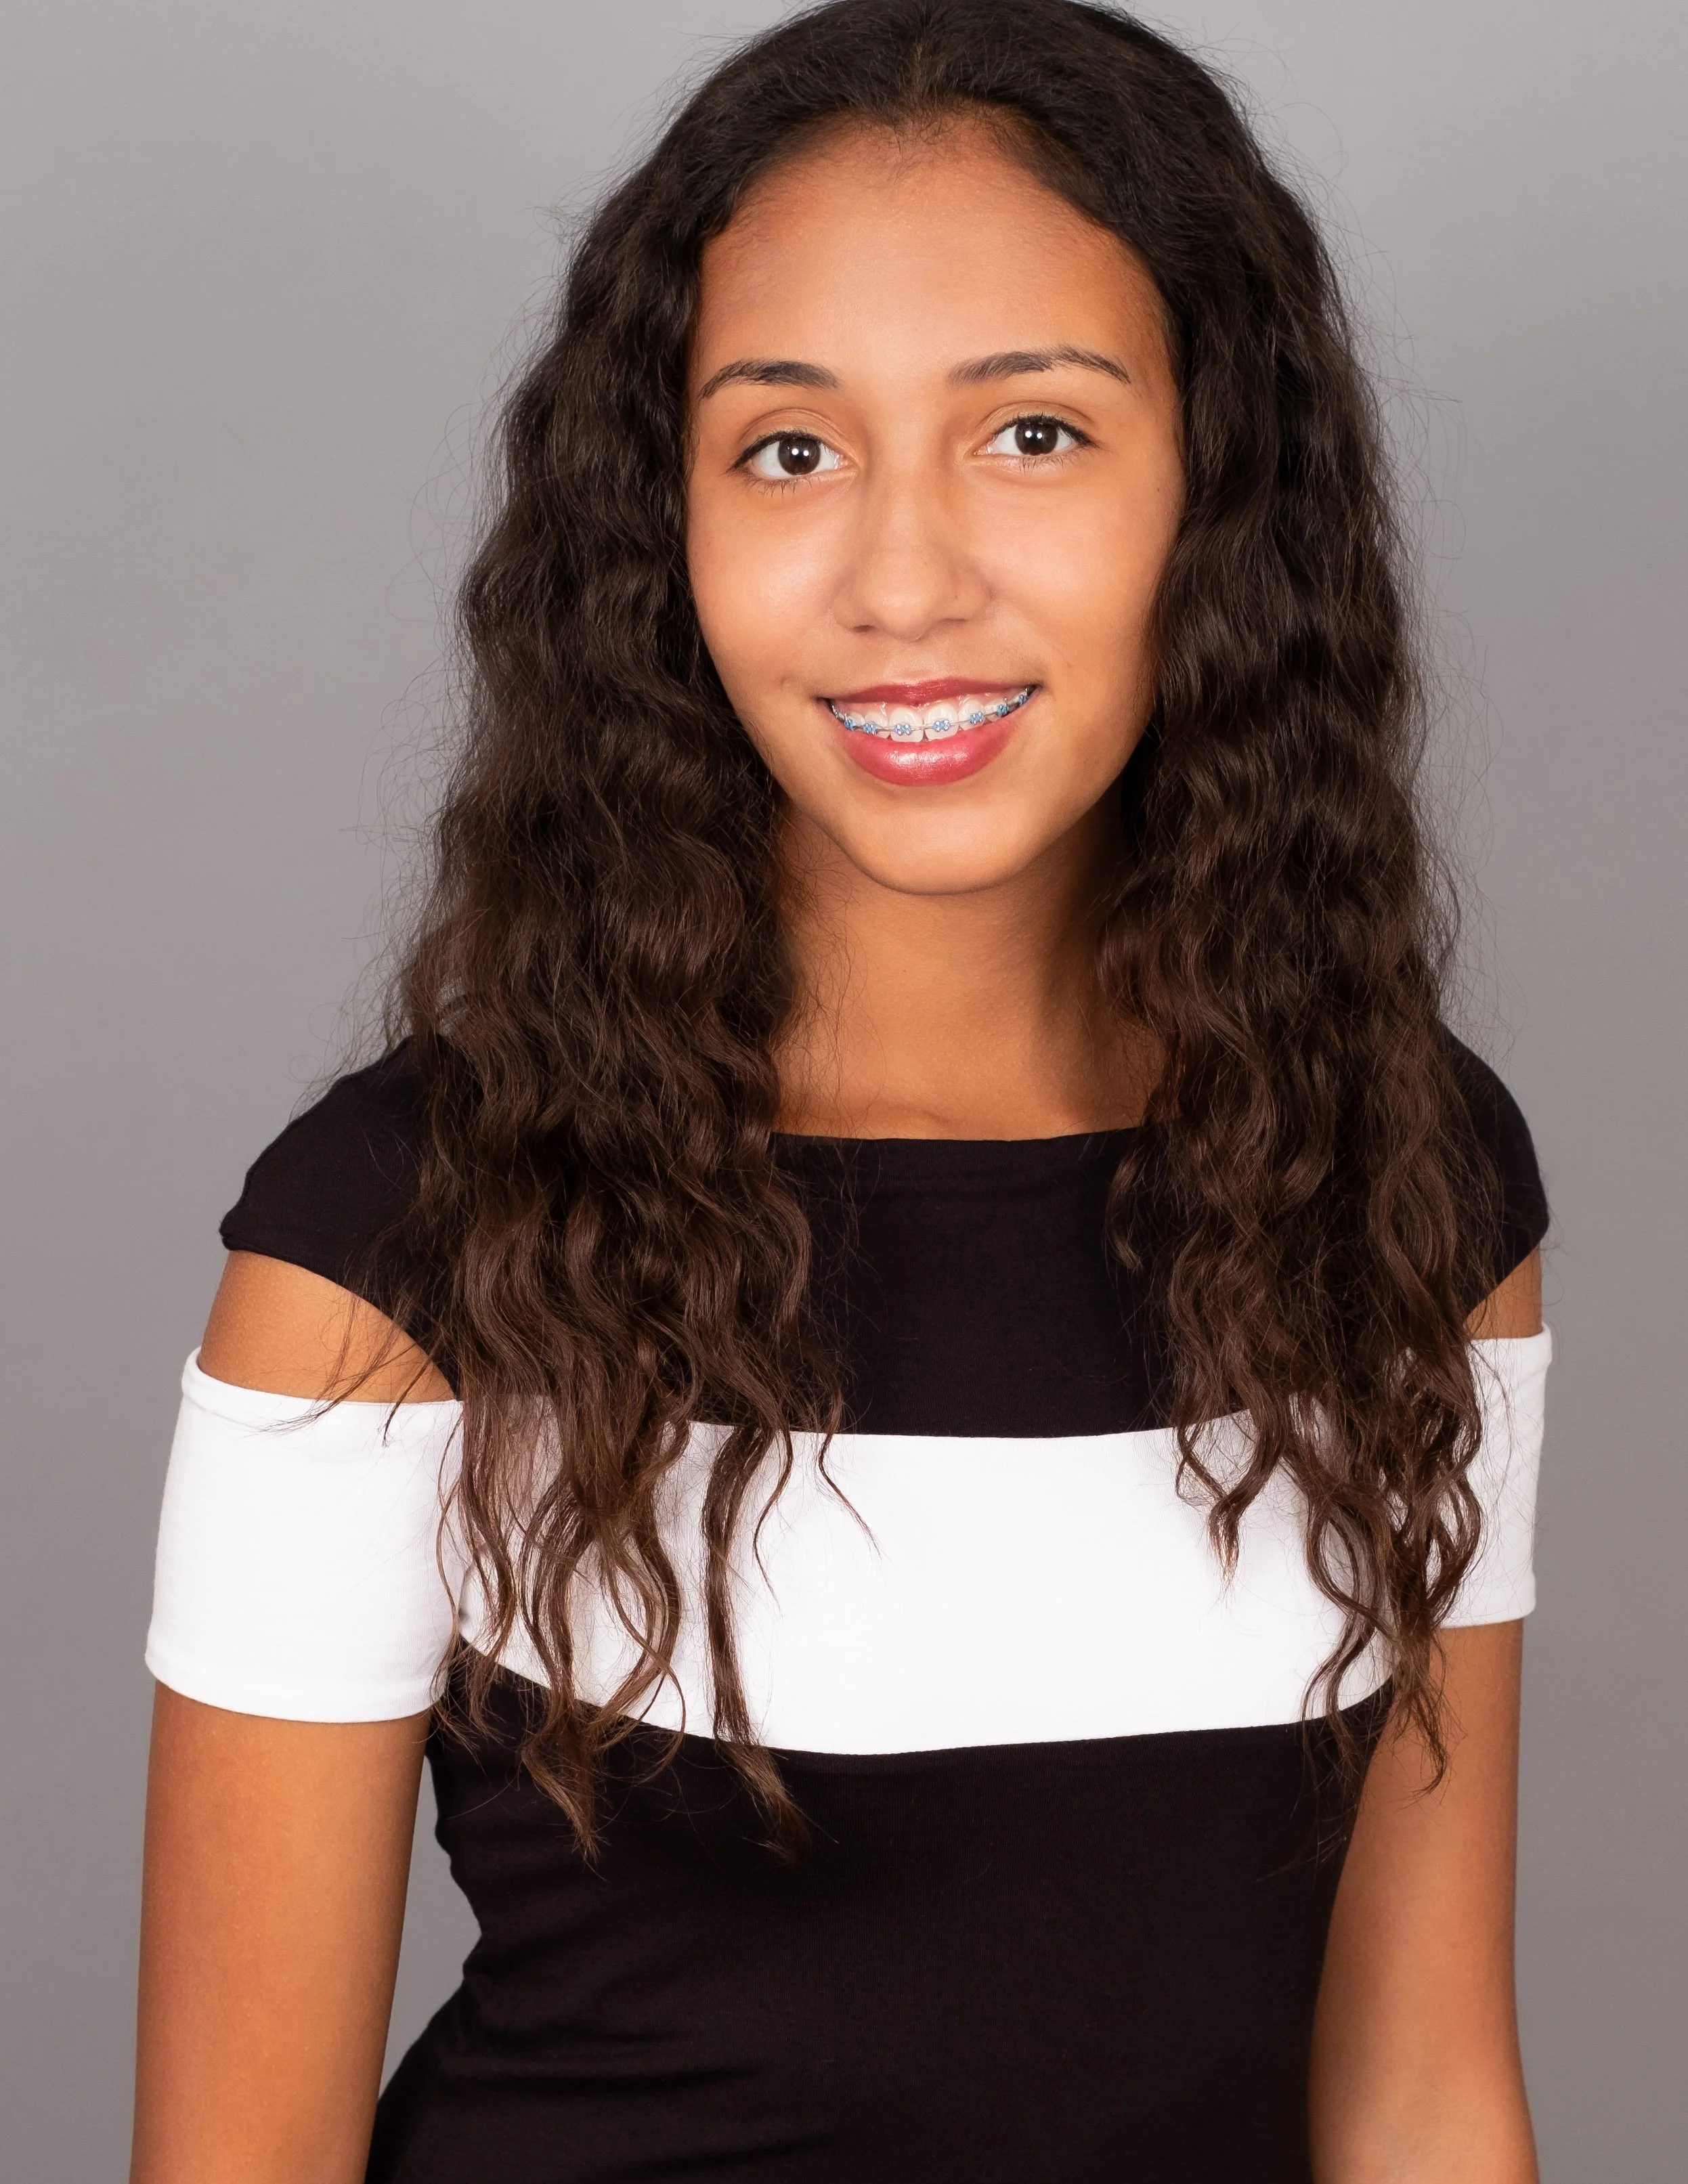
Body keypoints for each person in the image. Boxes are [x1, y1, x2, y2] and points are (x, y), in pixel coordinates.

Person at [132, 3, 1553, 2179]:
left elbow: (1421, 2090)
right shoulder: (390, 1248)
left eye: (1034, 436)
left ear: (1218, 487)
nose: (903, 583)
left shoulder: (1408, 1189)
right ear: (664, 529)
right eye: (787, 450)